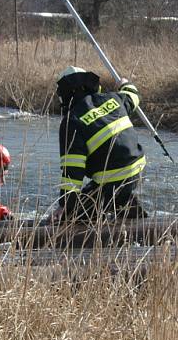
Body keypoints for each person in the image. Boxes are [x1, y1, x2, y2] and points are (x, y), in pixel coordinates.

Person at [50, 66, 147, 224]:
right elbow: (133, 96)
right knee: (107, 193)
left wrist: (65, 206)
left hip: (110, 181)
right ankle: (127, 209)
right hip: (137, 172)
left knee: (75, 219)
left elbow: (73, 171)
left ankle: (98, 232)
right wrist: (125, 84)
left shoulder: (72, 121)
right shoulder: (114, 99)